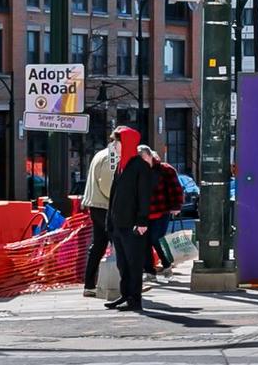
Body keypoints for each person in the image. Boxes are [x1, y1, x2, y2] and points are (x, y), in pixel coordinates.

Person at [104, 126, 152, 313]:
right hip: (119, 224)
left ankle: (134, 299)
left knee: (134, 263)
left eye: (116, 141)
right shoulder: (121, 166)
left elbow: (144, 196)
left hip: (132, 225)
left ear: (127, 143)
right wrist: (110, 222)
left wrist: (142, 221)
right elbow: (114, 195)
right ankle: (126, 294)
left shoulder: (140, 167)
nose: (113, 145)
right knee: (122, 263)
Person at [78, 133, 117, 296]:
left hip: (96, 205)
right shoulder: (111, 157)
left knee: (98, 245)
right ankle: (120, 283)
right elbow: (108, 185)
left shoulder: (100, 154)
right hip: (105, 205)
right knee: (119, 243)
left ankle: (89, 285)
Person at [144, 145, 183, 277]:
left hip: (162, 210)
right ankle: (150, 270)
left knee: (156, 238)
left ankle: (166, 264)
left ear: (150, 156)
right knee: (146, 241)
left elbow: (176, 188)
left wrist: (176, 206)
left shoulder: (165, 169)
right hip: (145, 212)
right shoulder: (140, 169)